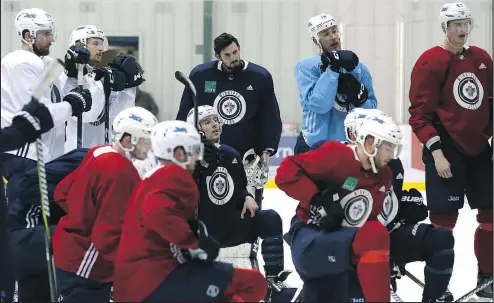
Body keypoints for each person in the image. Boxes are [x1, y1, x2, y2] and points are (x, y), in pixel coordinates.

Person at [113, 120, 267, 302]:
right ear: (179, 154)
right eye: (195, 150)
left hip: (133, 283)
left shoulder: (154, 175)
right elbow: (156, 212)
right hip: (154, 279)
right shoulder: (175, 174)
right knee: (254, 282)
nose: (199, 156)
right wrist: (194, 242)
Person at [0, 8, 92, 301]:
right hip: (20, 158)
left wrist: (81, 71)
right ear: (28, 36)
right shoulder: (18, 62)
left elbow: (69, 94)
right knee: (26, 230)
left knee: (44, 230)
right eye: (45, 33)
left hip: (42, 158)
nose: (52, 38)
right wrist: (72, 104)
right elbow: (39, 112)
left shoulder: (45, 62)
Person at [318, 109, 455, 303]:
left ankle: (434, 297)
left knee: (441, 238)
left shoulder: (392, 163)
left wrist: (410, 205)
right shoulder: (334, 158)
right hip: (348, 245)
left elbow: (393, 206)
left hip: (387, 236)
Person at [408, 2, 493, 298]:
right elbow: (419, 114)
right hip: (446, 150)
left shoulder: (482, 58)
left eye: (465, 23)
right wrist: (437, 153)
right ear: (444, 27)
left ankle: (488, 278)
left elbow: (490, 102)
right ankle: (439, 287)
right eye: (455, 24)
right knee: (444, 221)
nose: (461, 30)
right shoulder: (430, 61)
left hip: (480, 149)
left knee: (491, 215)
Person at [276, 117, 403, 302]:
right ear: (370, 143)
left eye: (394, 148)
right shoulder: (336, 154)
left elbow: (371, 221)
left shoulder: (385, 174)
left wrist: (382, 263)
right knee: (374, 233)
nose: (392, 154)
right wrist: (317, 200)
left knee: (375, 233)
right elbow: (285, 171)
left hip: (343, 244)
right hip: (310, 236)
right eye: (388, 147)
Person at [185, 106, 296, 301]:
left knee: (269, 218)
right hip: (206, 230)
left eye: (216, 120)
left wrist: (247, 196)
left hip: (232, 225)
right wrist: (196, 163)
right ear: (196, 129)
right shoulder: (189, 160)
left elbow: (239, 187)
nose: (214, 124)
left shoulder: (231, 154)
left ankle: (273, 278)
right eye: (207, 122)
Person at [51, 106, 157, 301]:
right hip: (87, 266)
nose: (150, 148)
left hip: (68, 253)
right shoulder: (121, 172)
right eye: (146, 141)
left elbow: (62, 192)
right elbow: (107, 236)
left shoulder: (99, 152)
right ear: (128, 140)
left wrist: (82, 216)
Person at [176, 32, 282, 208]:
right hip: (209, 156)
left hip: (247, 157)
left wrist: (266, 153)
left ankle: (250, 236)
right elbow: (185, 114)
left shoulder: (260, 76)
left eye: (235, 52)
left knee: (248, 209)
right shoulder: (200, 75)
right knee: (210, 206)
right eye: (227, 55)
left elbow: (270, 117)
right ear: (218, 56)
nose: (234, 58)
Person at [6, 148, 88, 302]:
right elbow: (26, 185)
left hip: (40, 236)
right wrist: (69, 200)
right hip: (27, 232)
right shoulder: (87, 160)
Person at [293, 13, 377, 155]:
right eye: (325, 34)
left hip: (349, 147)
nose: (333, 37)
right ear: (315, 40)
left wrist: (359, 100)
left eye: (334, 31)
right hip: (313, 146)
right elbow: (319, 105)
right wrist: (333, 70)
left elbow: (372, 109)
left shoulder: (358, 67)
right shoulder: (306, 66)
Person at [62, 25, 145, 151]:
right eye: (95, 43)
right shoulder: (67, 79)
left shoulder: (97, 77)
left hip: (99, 153)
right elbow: (87, 115)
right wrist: (104, 83)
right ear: (79, 44)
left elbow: (119, 116)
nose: (101, 48)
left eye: (102, 44)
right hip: (75, 155)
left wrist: (128, 86)